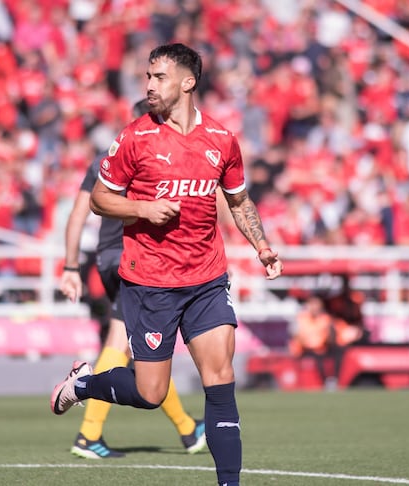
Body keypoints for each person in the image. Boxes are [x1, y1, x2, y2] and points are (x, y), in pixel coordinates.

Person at [50, 43, 283, 486]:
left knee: (221, 379)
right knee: (150, 392)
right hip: (150, 282)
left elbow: (239, 201)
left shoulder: (221, 139)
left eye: (158, 77)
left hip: (207, 279)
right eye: (148, 76)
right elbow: (99, 199)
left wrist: (263, 246)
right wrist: (142, 209)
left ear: (187, 82)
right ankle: (83, 385)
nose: (149, 85)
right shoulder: (134, 137)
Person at [58, 98, 206, 459]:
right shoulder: (154, 156)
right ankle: (88, 434)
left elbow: (79, 214)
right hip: (135, 260)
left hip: (111, 259)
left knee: (143, 355)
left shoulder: (105, 158)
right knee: (123, 341)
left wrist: (72, 266)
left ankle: (188, 430)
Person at [288, 294, 332, 385]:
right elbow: (295, 334)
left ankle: (328, 381)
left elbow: (328, 336)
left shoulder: (325, 319)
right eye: (313, 305)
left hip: (320, 349)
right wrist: (305, 343)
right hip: (303, 349)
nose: (315, 308)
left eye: (317, 305)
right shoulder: (301, 317)